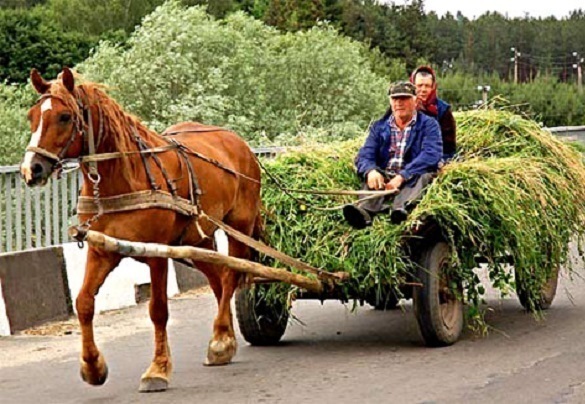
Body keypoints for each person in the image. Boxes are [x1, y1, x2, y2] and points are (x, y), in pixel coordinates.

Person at [343, 81, 442, 229]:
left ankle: (400, 209)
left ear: (415, 100)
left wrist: (402, 176)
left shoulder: (429, 125)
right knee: (371, 181)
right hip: (386, 175)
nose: (399, 103)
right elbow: (365, 154)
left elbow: (431, 154)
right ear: (390, 101)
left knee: (423, 178)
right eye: (395, 99)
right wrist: (371, 171)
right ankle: (364, 212)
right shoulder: (379, 127)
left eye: (404, 99)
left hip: (412, 175)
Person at [410, 65, 457, 162]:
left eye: (427, 86)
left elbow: (449, 147)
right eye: (419, 85)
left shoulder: (443, 110)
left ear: (433, 87)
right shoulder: (403, 107)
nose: (423, 90)